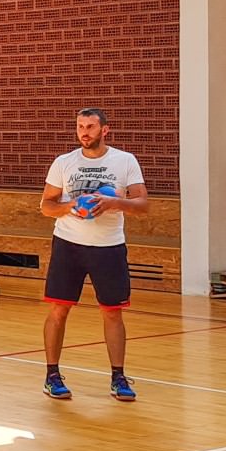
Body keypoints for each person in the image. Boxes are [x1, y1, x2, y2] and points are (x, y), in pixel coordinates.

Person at [40, 108, 147, 403]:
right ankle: (52, 375)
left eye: (90, 126)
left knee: (112, 312)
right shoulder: (64, 162)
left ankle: (118, 377)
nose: (84, 132)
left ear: (105, 130)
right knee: (59, 310)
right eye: (80, 126)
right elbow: (46, 206)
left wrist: (114, 202)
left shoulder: (125, 161)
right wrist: (70, 205)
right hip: (68, 244)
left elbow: (143, 204)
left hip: (109, 247)